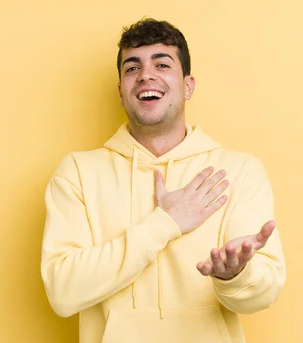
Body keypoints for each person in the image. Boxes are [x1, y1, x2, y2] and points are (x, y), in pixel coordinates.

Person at [40, 17, 286, 343]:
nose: (146, 75)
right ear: (120, 91)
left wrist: (237, 275)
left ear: (188, 85)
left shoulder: (238, 171)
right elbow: (62, 291)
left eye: (162, 64)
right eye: (132, 68)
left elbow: (262, 296)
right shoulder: (77, 173)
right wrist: (165, 222)